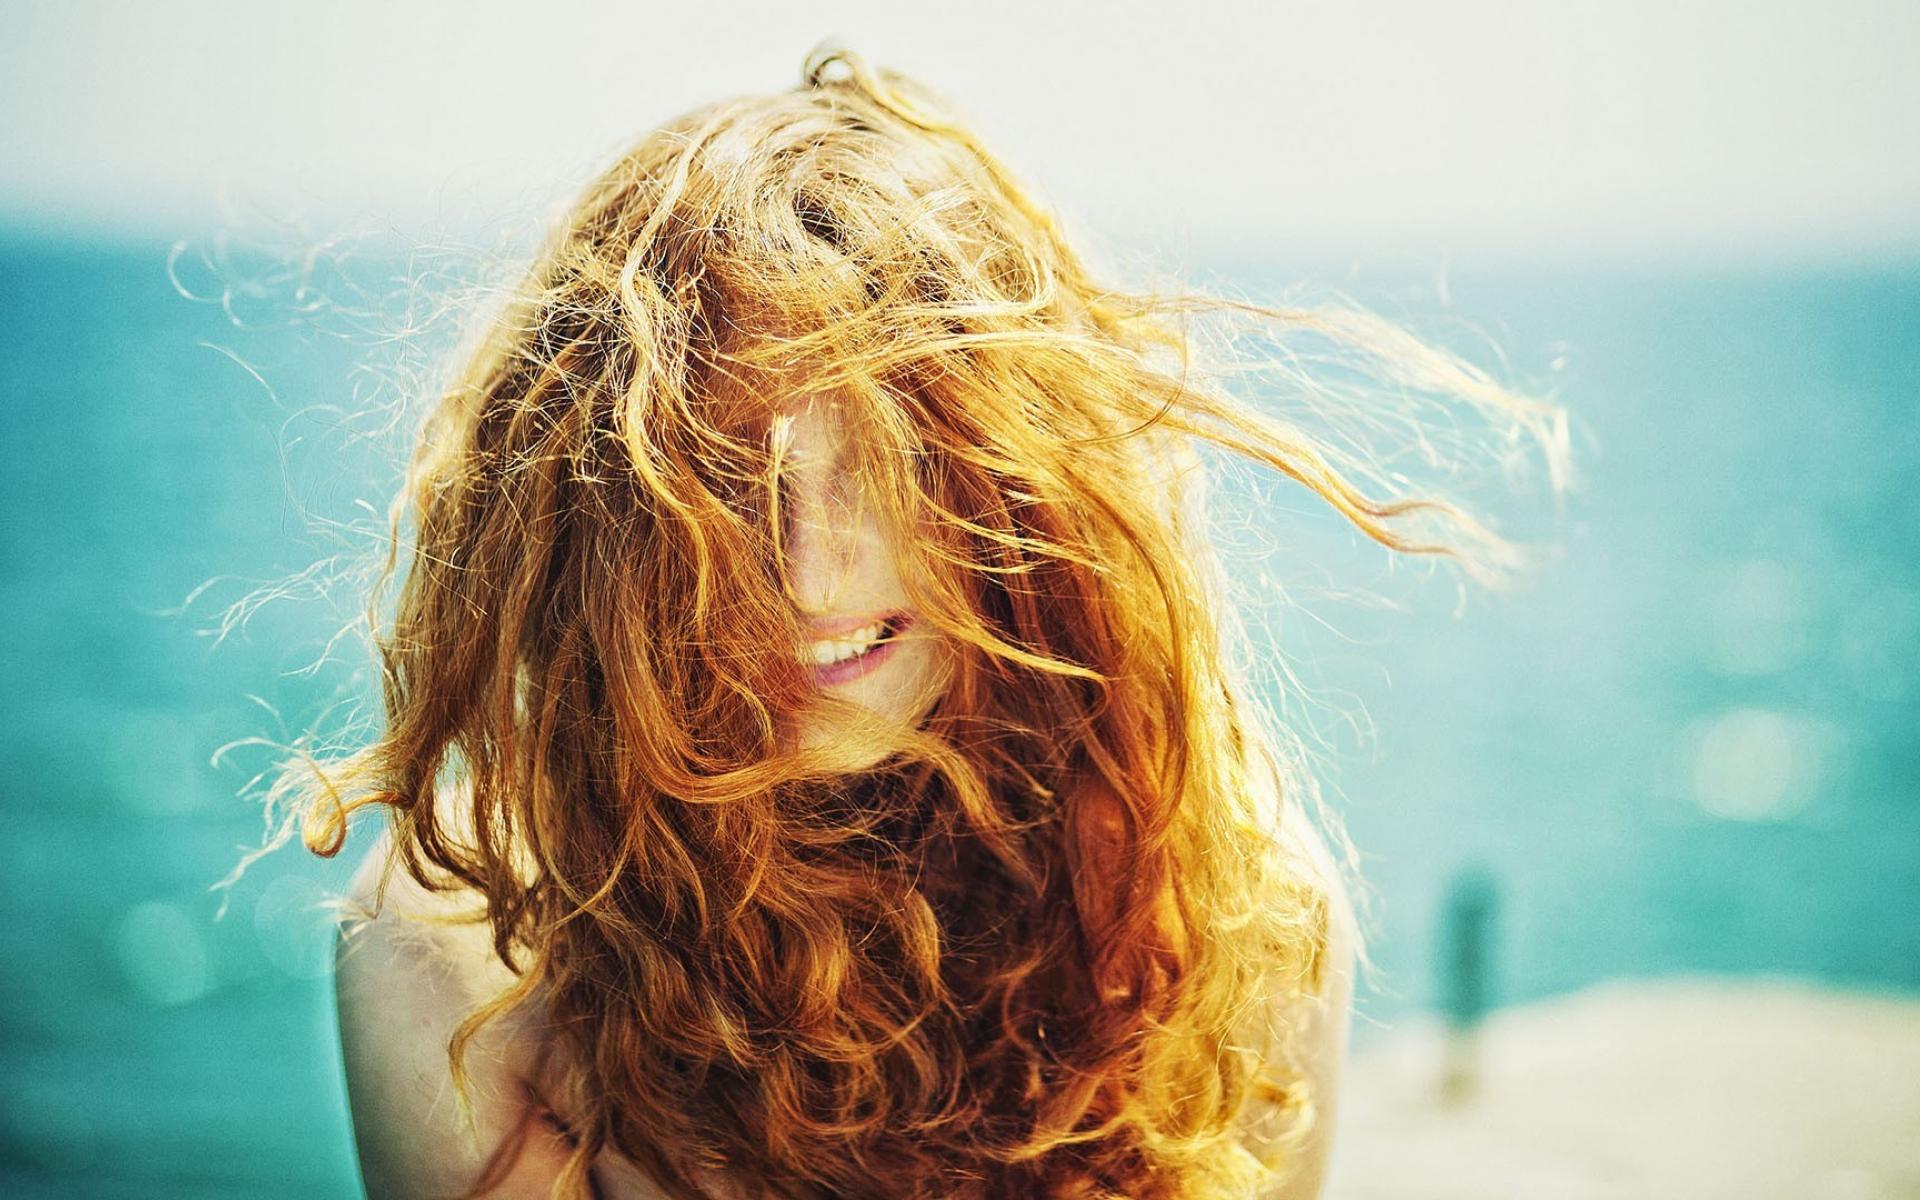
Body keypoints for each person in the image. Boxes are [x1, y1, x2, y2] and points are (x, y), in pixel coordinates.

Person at [285, 45, 1569, 1200]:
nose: (807, 574)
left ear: (1016, 477)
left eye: (882, 459)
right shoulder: (474, 949)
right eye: (723, 479)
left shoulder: (1227, 914)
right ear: (601, 513)